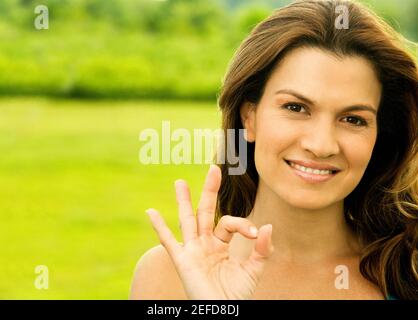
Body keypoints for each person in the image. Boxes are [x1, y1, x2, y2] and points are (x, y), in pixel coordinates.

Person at [130, 0, 418, 300]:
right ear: (249, 117)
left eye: (353, 119)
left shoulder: (407, 273)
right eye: (296, 107)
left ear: (379, 137)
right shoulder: (168, 275)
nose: (321, 145)